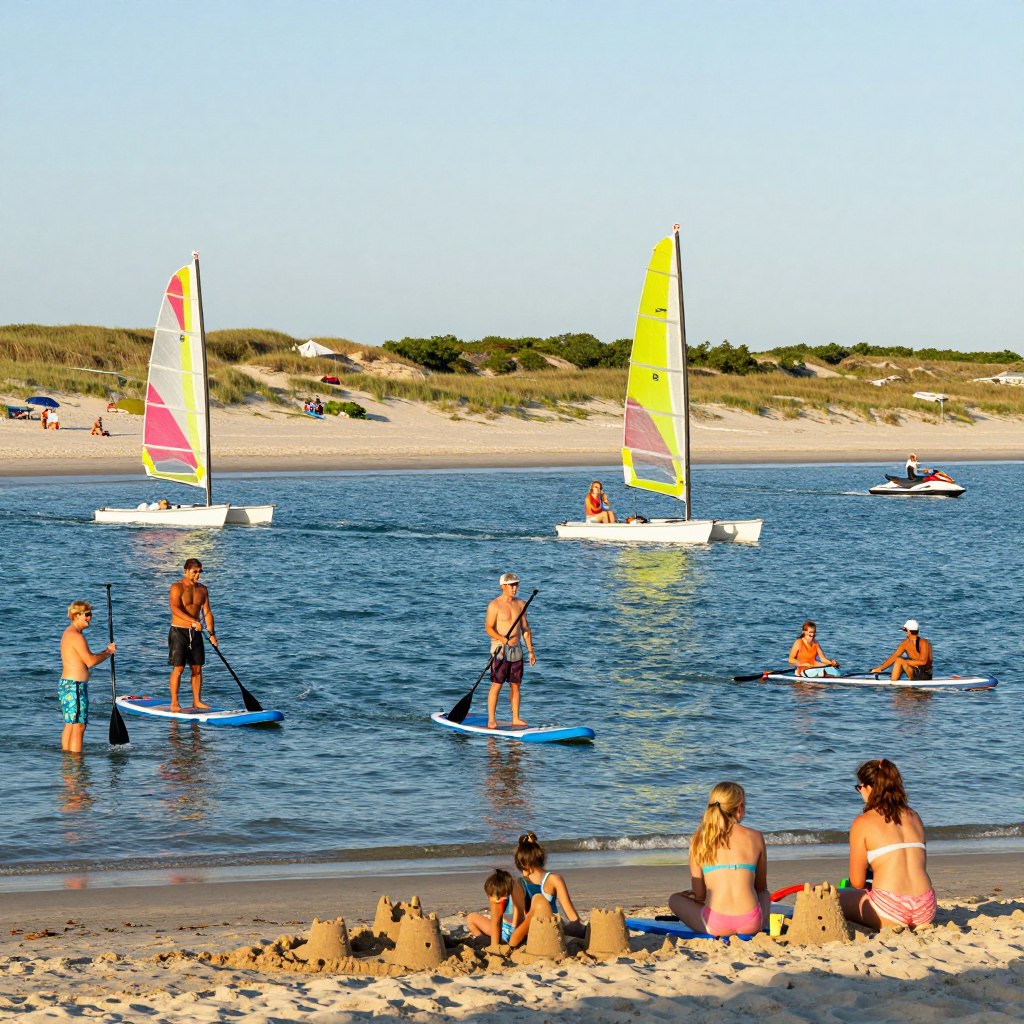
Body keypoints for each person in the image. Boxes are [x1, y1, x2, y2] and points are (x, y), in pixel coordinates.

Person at [839, 758, 936, 930]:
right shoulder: (914, 817)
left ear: (870, 788)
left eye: (860, 787)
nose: (860, 792)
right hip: (925, 908)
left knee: (836, 898)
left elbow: (857, 882)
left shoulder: (862, 823)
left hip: (890, 909)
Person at [668, 781, 769, 938]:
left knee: (674, 899)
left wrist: (687, 895)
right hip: (751, 922)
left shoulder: (699, 839)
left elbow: (700, 894)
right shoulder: (756, 836)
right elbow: (761, 887)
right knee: (764, 894)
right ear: (740, 807)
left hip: (716, 924)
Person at [58, 601, 115, 753]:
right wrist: (108, 653)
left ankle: (68, 765)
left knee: (71, 724)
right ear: (77, 616)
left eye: (91, 614)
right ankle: (76, 765)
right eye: (87, 615)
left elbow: (85, 658)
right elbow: (90, 661)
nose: (90, 618)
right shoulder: (76, 636)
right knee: (79, 726)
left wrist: (105, 651)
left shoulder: (70, 633)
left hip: (70, 685)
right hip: (74, 686)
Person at [509, 832, 585, 943]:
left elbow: (519, 918)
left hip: (533, 928)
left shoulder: (519, 883)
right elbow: (572, 915)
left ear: (525, 865)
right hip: (551, 925)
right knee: (576, 927)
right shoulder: (554, 879)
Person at [485, 572, 535, 729]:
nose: (515, 588)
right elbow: (488, 628)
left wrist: (531, 651)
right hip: (500, 650)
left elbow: (526, 629)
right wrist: (501, 638)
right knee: (497, 684)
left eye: (517, 585)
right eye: (512, 585)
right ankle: (491, 719)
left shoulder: (521, 604)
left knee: (516, 685)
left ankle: (515, 718)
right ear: (503, 586)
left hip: (517, 650)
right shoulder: (495, 605)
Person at [168, 558, 218, 712]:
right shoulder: (177, 587)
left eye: (199, 572)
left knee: (197, 668)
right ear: (186, 571)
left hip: (196, 633)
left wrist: (211, 634)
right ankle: (174, 702)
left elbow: (207, 612)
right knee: (179, 668)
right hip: (179, 632)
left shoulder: (203, 589)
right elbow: (175, 608)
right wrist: (192, 621)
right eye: (194, 572)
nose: (198, 575)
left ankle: (197, 701)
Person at [465, 868, 520, 947]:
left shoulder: (499, 899)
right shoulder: (514, 896)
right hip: (514, 932)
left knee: (471, 918)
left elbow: (496, 920)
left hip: (504, 936)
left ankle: (482, 939)